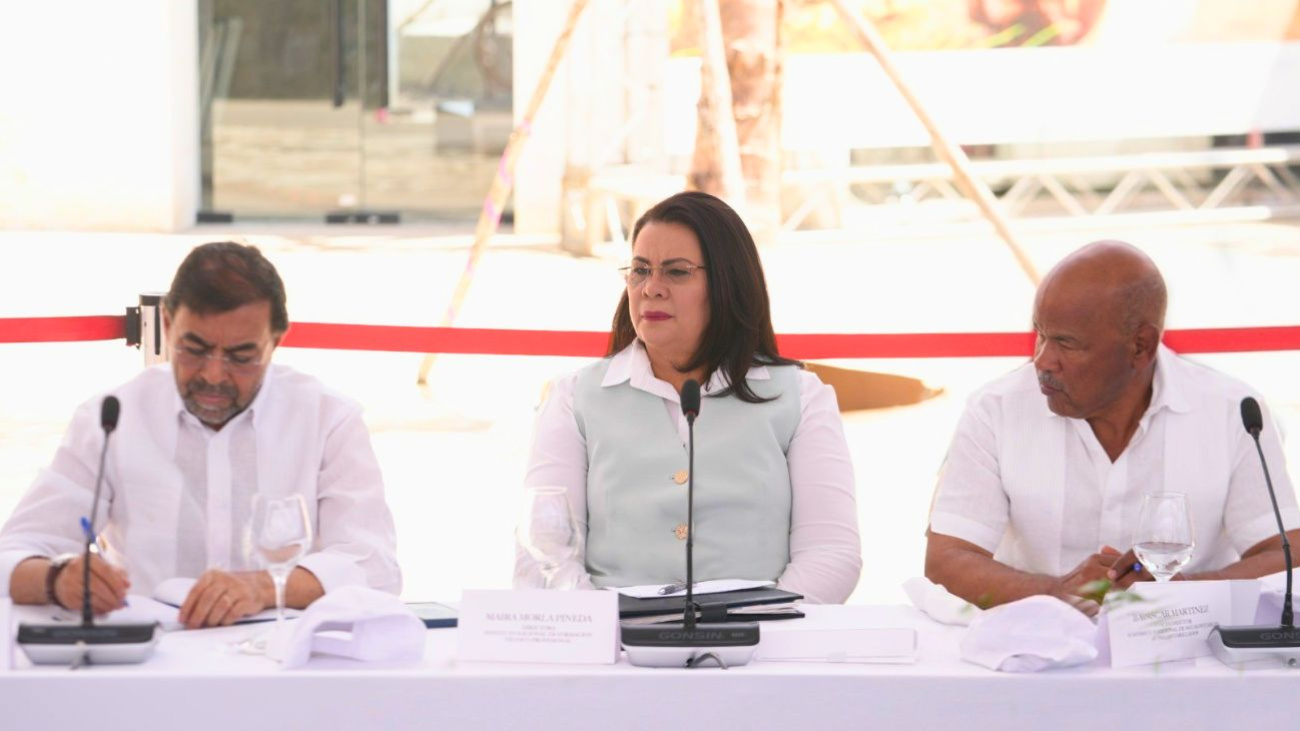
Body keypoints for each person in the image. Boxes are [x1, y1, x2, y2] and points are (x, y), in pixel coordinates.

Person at [0, 242, 400, 628]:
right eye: (193, 349)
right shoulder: (112, 417)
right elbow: (13, 554)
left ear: (276, 341)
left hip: (281, 656)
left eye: (241, 357)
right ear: (168, 325)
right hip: (149, 659)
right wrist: (57, 579)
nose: (213, 375)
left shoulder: (327, 418)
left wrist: (264, 588)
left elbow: (376, 568)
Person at [515, 191, 861, 604]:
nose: (651, 288)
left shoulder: (801, 397)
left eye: (677, 272)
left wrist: (749, 628)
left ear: (728, 284)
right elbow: (544, 556)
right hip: (614, 638)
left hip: (761, 639)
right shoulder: (573, 397)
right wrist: (609, 627)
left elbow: (831, 555)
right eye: (640, 270)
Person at [926, 240, 1300, 613]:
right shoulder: (996, 408)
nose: (1042, 360)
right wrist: (1055, 592)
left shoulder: (1232, 411)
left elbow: (1287, 554)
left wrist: (1184, 592)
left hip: (1189, 645)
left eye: (1066, 343)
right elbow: (946, 559)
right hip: (1033, 643)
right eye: (1040, 334)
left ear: (1140, 346)